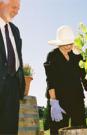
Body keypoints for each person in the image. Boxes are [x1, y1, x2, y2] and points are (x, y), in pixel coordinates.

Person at [44, 25, 87, 135]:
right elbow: (50, 80)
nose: (68, 46)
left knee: (80, 129)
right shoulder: (52, 56)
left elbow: (84, 75)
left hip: (77, 99)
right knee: (58, 130)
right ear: (59, 43)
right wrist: (54, 102)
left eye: (70, 43)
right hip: (59, 100)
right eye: (65, 44)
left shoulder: (77, 56)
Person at [0, 0, 25, 134]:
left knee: (9, 129)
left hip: (13, 87)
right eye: (14, 7)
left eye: (18, 8)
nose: (17, 11)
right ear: (1, 4)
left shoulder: (15, 30)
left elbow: (18, 58)